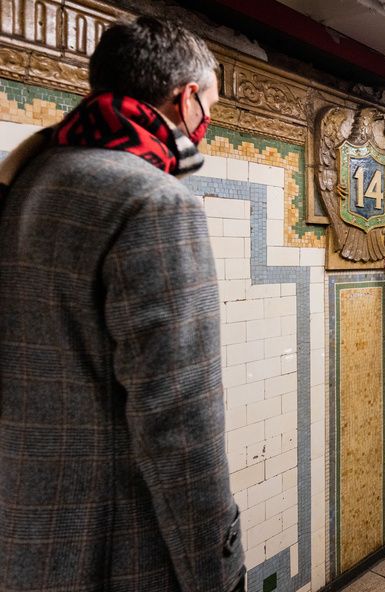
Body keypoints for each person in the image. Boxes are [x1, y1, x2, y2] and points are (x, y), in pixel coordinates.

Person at [0, 17, 245, 592]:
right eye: (209, 105)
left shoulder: (27, 182)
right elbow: (179, 416)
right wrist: (218, 566)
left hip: (29, 529)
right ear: (186, 101)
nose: (206, 123)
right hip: (121, 545)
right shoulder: (155, 200)